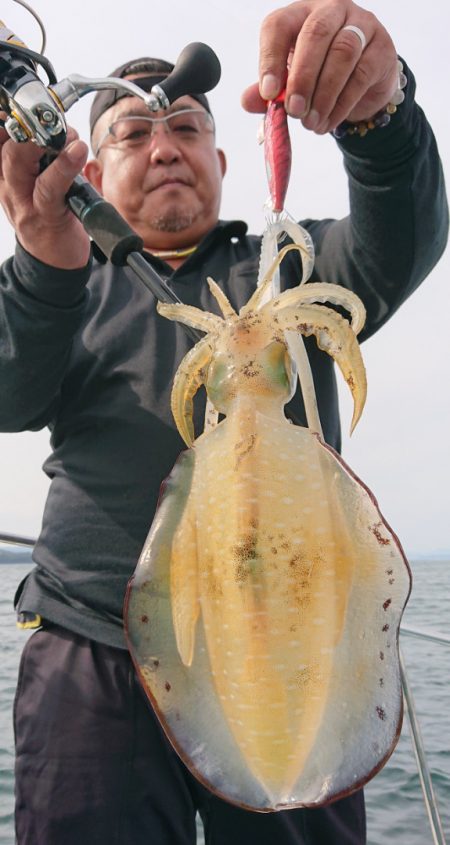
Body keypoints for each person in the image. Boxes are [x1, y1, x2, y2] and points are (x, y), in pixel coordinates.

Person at [0, 1, 447, 843]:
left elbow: (401, 237)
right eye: (132, 133)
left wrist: (382, 120)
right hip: (90, 654)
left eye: (186, 126)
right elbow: (8, 395)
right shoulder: (65, 286)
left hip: (293, 636)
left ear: (222, 156)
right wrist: (41, 268)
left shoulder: (291, 266)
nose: (164, 145)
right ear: (92, 170)